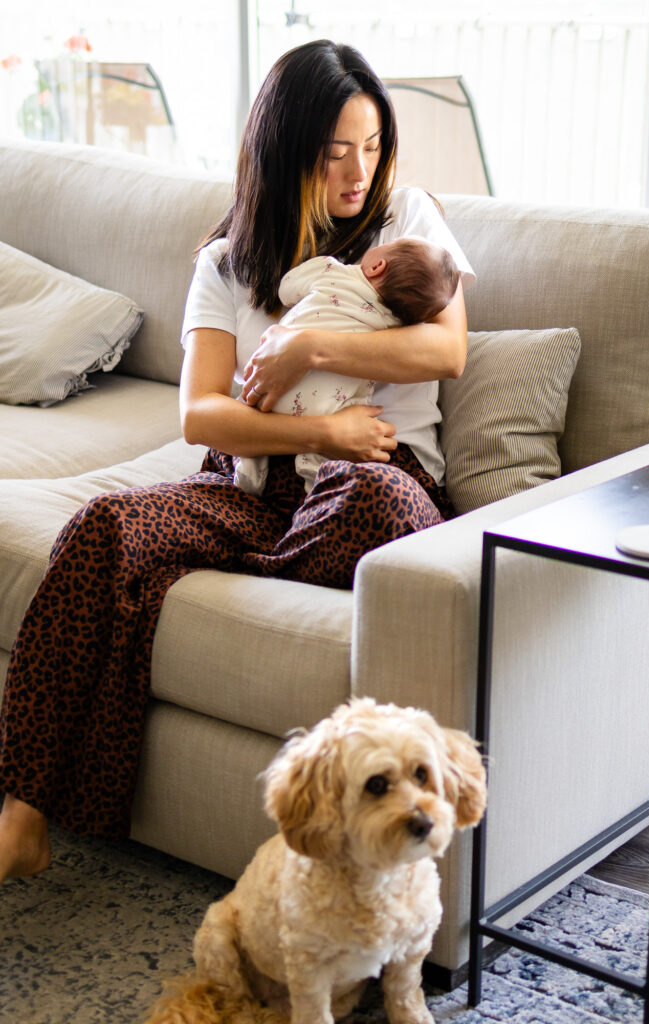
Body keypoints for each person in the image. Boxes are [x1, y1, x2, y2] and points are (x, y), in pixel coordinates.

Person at [0, 39, 474, 883]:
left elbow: (448, 351)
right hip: (255, 486)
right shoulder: (225, 262)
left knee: (387, 511)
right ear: (285, 152)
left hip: (373, 478)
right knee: (105, 526)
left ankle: (231, 562)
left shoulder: (408, 221)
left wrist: (307, 353)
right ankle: (24, 810)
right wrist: (316, 433)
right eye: (333, 156)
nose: (356, 173)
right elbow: (202, 411)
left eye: (370, 148)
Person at [233, 237, 461, 495]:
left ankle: (250, 466)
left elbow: (286, 290)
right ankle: (313, 477)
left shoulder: (332, 272)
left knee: (250, 405)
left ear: (377, 266)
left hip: (266, 401)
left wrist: (308, 342)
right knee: (356, 397)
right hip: (327, 412)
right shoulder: (394, 326)